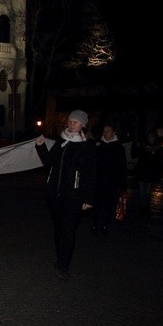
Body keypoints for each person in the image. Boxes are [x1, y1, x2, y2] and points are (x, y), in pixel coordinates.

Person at [35, 109, 96, 280]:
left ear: (82, 124)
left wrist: (88, 198)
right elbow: (50, 162)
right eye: (70, 121)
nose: (71, 124)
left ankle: (64, 264)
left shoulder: (87, 145)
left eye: (75, 122)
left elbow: (91, 173)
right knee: (59, 228)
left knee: (69, 230)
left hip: (74, 195)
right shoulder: (61, 140)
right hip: (55, 193)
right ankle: (59, 257)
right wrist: (40, 147)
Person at [91, 124, 128, 234]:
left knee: (109, 205)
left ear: (113, 133)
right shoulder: (98, 145)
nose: (105, 133)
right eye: (104, 130)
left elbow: (122, 166)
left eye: (108, 131)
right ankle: (94, 224)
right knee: (96, 204)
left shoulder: (118, 147)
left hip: (112, 182)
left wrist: (123, 184)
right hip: (98, 181)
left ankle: (105, 225)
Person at [130, 129, 163, 218]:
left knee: (147, 193)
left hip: (150, 174)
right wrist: (135, 145)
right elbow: (133, 155)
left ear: (154, 138)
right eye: (149, 137)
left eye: (152, 137)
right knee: (142, 193)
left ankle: (146, 209)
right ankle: (143, 209)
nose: (151, 139)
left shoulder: (157, 147)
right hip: (142, 173)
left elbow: (159, 162)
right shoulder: (143, 146)